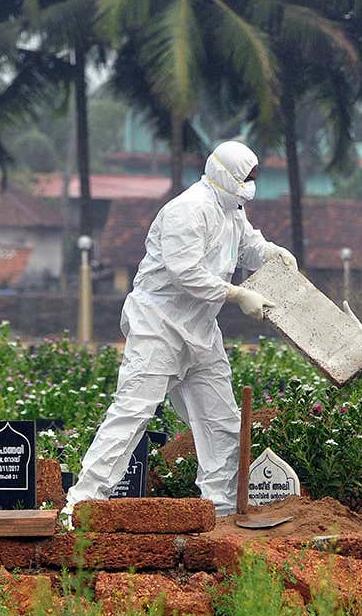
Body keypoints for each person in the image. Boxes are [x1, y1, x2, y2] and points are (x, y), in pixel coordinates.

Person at [63, 141, 296, 523]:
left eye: (253, 179)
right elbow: (185, 273)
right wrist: (238, 294)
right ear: (222, 173)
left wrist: (272, 253)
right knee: (133, 413)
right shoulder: (186, 211)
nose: (250, 186)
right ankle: (81, 505)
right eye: (245, 179)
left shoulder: (231, 209)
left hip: (201, 330)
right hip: (159, 327)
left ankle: (220, 509)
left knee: (220, 421)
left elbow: (247, 246)